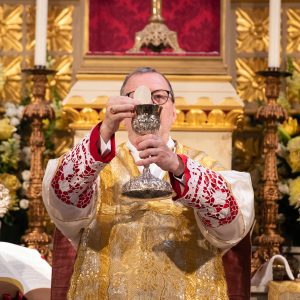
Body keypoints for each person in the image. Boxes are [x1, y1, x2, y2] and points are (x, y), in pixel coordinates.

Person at [42, 67, 254, 299]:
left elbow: (231, 225)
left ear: (173, 112)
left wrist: (178, 166)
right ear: (123, 116)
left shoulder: (203, 166)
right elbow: (62, 197)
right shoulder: (96, 168)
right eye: (134, 98)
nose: (148, 105)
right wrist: (104, 130)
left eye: (159, 97)